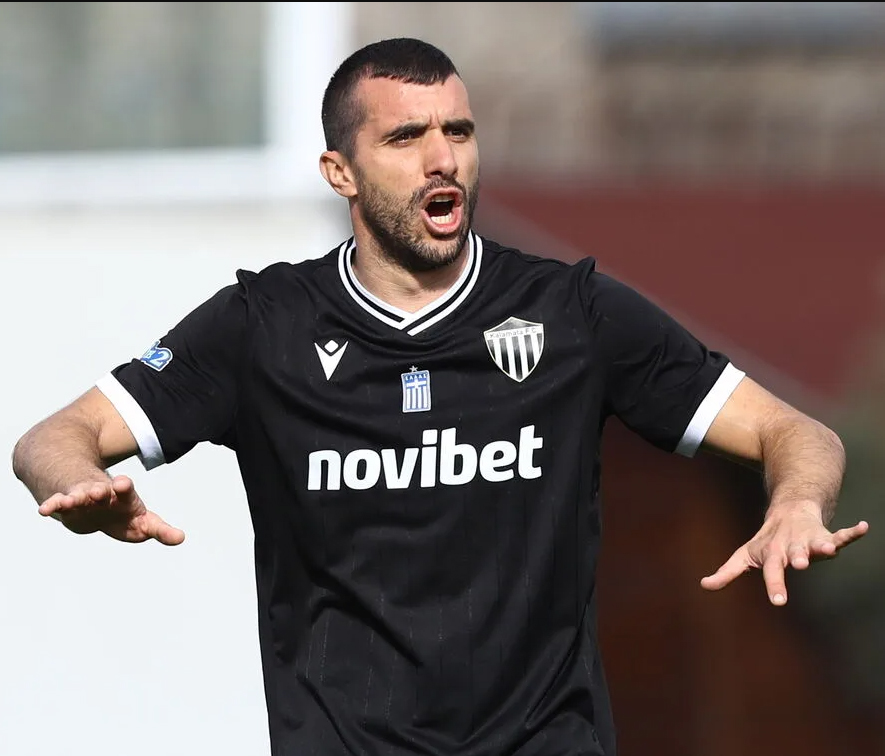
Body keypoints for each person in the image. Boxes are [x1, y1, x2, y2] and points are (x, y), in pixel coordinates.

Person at [12, 37, 869, 756]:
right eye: (405, 137)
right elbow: (52, 437)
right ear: (340, 172)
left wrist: (796, 501)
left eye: (457, 130)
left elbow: (794, 432)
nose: (441, 159)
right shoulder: (262, 326)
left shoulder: (572, 314)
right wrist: (75, 485)